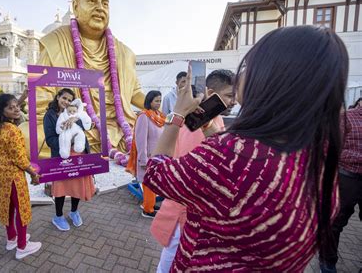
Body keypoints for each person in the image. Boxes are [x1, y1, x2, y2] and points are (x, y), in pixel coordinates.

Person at [143, 26, 347, 272]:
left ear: (270, 77)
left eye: (250, 66)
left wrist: (177, 115)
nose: (240, 79)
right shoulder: (317, 153)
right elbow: (231, 166)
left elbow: (155, 174)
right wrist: (208, 126)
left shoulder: (234, 154)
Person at [20, 0, 145, 160]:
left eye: (105, 4)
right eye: (92, 1)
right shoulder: (55, 43)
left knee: (158, 127)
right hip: (72, 123)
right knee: (26, 135)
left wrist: (163, 110)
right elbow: (40, 98)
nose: (100, 8)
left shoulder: (124, 52)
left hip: (119, 125)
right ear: (76, 7)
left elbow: (135, 93)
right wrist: (64, 118)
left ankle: (88, 148)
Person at [152, 70, 235, 273]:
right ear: (210, 92)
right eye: (230, 95)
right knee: (171, 261)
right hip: (188, 214)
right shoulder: (195, 126)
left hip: (201, 215)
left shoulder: (214, 119)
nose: (235, 101)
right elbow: (176, 174)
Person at [0, 94, 42, 260]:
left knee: (7, 206)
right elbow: (19, 158)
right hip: (13, 176)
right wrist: (33, 173)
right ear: (2, 111)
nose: (16, 109)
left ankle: (11, 239)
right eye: (11, 107)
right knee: (21, 208)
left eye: (17, 105)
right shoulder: (12, 130)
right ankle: (22, 246)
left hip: (0, 173)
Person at [43, 88, 95, 231]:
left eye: (70, 100)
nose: (66, 102)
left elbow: (89, 126)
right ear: (58, 97)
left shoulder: (76, 112)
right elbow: (50, 139)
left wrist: (77, 119)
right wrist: (68, 141)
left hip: (79, 155)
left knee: (77, 186)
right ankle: (58, 216)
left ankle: (74, 212)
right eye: (64, 98)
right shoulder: (50, 115)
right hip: (62, 156)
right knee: (60, 188)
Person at [319, 98, 361, 273]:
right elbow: (332, 148)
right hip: (347, 179)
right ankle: (328, 264)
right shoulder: (347, 118)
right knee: (335, 223)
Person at [127, 90, 165, 218]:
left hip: (158, 157)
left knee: (154, 183)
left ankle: (150, 204)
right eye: (156, 101)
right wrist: (143, 160)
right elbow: (140, 140)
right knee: (148, 184)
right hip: (148, 157)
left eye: (160, 100)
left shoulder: (159, 116)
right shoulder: (144, 116)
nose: (158, 103)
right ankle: (147, 210)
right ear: (149, 101)